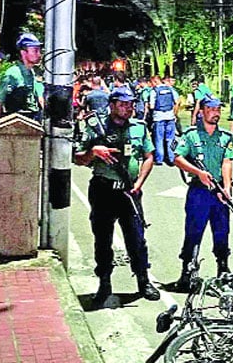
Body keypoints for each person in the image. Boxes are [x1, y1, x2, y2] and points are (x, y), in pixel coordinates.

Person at [75, 87, 160, 303]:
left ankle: (143, 280)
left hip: (129, 191)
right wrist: (93, 152)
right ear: (111, 105)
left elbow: (149, 156)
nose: (128, 108)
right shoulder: (96, 126)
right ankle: (104, 283)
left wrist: (139, 182)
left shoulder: (140, 128)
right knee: (103, 239)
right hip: (103, 190)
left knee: (137, 239)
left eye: (130, 104)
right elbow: (78, 157)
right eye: (123, 104)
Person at [173, 97, 233, 289]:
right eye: (210, 109)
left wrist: (227, 187)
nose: (215, 113)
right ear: (201, 112)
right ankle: (187, 271)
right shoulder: (192, 135)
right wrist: (198, 172)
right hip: (199, 192)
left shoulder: (225, 137)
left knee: (222, 231)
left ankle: (223, 269)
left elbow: (227, 162)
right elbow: (178, 158)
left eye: (218, 109)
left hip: (218, 193)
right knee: (193, 231)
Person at [0, 33, 44, 121]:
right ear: (23, 53)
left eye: (39, 51)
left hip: (33, 121)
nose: (39, 54)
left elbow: (40, 99)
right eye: (35, 50)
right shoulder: (13, 73)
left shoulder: (33, 72)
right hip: (17, 121)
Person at [149, 76, 179, 166]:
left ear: (155, 82)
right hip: (170, 117)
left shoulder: (154, 91)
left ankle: (159, 159)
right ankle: (172, 158)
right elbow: (177, 101)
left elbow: (152, 106)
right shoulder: (170, 89)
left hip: (159, 117)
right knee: (171, 139)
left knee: (159, 139)